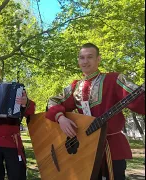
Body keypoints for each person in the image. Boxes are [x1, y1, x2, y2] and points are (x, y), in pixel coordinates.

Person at [45, 43, 145, 180]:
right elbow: (53, 101)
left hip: (111, 148)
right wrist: (60, 118)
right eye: (82, 58)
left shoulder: (114, 79)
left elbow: (139, 102)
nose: (85, 61)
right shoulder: (75, 87)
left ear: (98, 59)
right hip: (84, 150)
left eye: (90, 57)